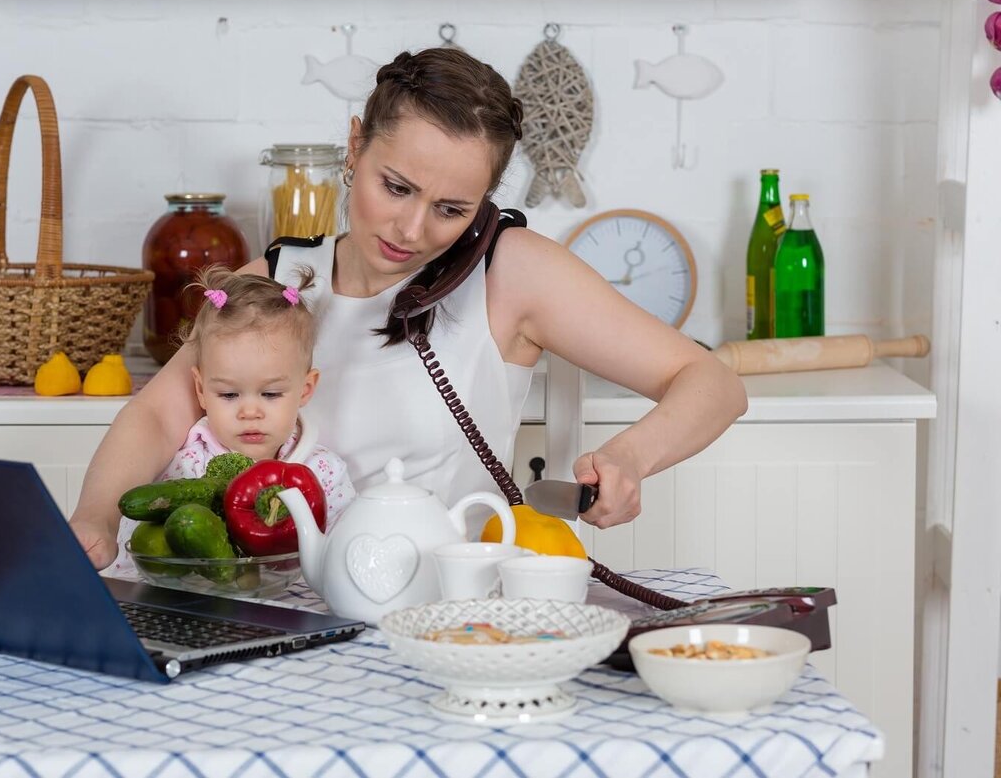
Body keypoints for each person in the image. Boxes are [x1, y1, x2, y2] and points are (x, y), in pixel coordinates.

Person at [71, 47, 747, 571]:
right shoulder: (281, 278)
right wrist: (96, 518)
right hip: (282, 605)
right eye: (395, 187)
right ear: (356, 146)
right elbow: (160, 410)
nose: (412, 230)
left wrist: (631, 455)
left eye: (452, 209)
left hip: (439, 616)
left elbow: (712, 382)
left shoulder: (509, 271)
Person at [104, 266, 355, 578]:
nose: (249, 412)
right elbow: (138, 557)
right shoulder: (185, 467)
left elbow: (347, 554)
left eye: (271, 393)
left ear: (306, 389)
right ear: (201, 390)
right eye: (229, 394)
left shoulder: (325, 473)